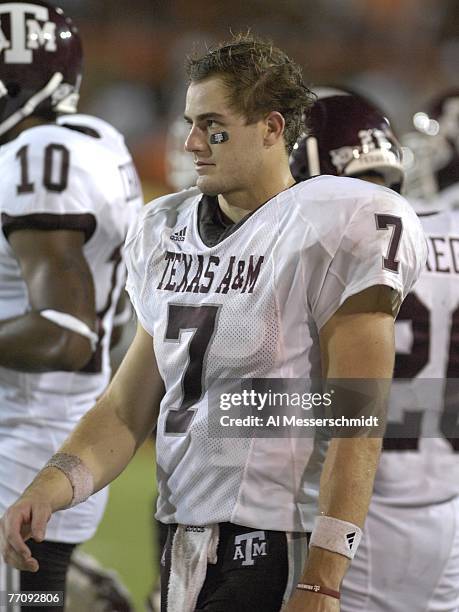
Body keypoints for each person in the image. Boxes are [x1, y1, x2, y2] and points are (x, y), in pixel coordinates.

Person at [0, 34, 426, 612]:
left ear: (273, 128)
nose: (192, 141)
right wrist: (52, 485)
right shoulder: (166, 227)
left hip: (277, 537)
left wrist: (324, 575)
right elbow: (127, 407)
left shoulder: (332, 222)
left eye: (213, 125)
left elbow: (358, 415)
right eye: (189, 122)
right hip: (184, 533)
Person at [291, 87, 459, 610]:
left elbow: (344, 407)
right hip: (449, 510)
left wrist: (226, 406)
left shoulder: (334, 241)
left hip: (357, 510)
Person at [0, 1, 142, 609]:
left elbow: (64, 333)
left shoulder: (42, 160)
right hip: (55, 433)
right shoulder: (97, 140)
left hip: (22, 447)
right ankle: (75, 590)